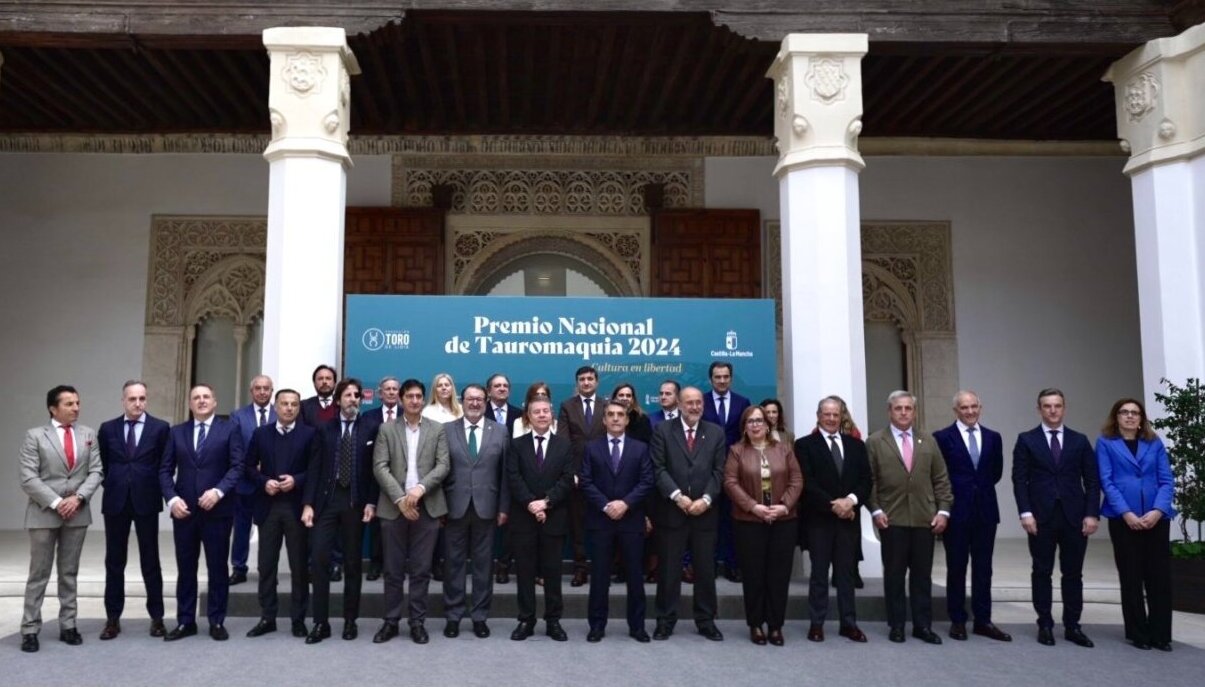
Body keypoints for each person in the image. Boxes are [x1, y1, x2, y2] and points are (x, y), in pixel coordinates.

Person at [18, 385, 104, 653]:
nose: (76, 408)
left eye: (77, 403)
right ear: (53, 408)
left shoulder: (89, 434)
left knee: (69, 573)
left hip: (77, 513)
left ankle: (68, 624)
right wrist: (57, 502)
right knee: (39, 574)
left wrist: (77, 498)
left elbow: (96, 471)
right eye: (69, 404)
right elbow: (29, 478)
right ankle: (30, 628)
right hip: (44, 513)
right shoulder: (35, 436)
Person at [1012, 387, 1100, 648]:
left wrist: (1092, 513)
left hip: (1075, 516)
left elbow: (1092, 481)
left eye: (1057, 405)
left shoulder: (1079, 440)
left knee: (1073, 573)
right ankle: (1045, 625)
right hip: (1040, 517)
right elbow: (1019, 479)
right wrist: (1025, 512)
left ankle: (1073, 626)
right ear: (1039, 409)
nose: (1052, 410)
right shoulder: (1026, 440)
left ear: (1064, 408)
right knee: (1041, 571)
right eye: (1047, 406)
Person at [159, 383, 245, 641]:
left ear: (215, 402)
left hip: (217, 511)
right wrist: (172, 499)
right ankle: (186, 621)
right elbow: (164, 470)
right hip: (184, 512)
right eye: (196, 397)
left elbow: (237, 467)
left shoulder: (230, 429)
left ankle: (216, 621)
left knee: (217, 567)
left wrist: (218, 492)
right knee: (186, 568)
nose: (202, 401)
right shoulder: (176, 433)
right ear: (190, 404)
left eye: (206, 396)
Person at [866, 390, 952, 645]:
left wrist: (944, 510)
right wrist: (876, 510)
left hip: (925, 520)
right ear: (889, 411)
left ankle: (922, 625)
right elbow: (869, 481)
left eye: (908, 408)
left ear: (914, 412)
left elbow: (941, 479)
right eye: (898, 408)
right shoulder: (875, 441)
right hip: (891, 519)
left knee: (922, 576)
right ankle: (897, 625)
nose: (903, 413)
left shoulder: (928, 440)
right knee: (894, 575)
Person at [301, 378, 380, 644]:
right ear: (338, 401)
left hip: (355, 504)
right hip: (327, 503)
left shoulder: (371, 428)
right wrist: (309, 504)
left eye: (357, 395)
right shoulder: (324, 430)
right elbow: (314, 468)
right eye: (347, 395)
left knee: (352, 564)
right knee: (320, 560)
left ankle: (350, 621)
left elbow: (375, 472)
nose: (353, 399)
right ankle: (321, 623)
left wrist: (371, 502)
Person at [372, 378, 450, 645]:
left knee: (421, 570)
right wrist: (401, 499)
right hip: (393, 509)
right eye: (410, 396)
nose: (415, 400)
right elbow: (380, 466)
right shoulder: (386, 429)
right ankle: (391, 621)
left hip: (427, 508)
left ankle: (417, 622)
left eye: (418, 396)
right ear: (401, 400)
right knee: (393, 570)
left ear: (423, 398)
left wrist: (419, 490)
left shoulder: (437, 429)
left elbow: (443, 466)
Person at [1096, 397, 1174, 651]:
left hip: (1156, 519)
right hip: (1124, 520)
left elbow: (1166, 480)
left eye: (1135, 413)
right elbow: (1106, 482)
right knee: (1131, 577)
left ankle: (1161, 634)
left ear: (1141, 419)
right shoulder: (1106, 443)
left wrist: (1157, 510)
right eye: (1124, 412)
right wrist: (1127, 513)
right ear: (1116, 417)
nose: (1130, 416)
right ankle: (1138, 633)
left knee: (1159, 578)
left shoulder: (1154, 443)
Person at [650, 386, 727, 642]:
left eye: (698, 403)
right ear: (679, 405)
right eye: (689, 403)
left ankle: (706, 620)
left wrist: (705, 499)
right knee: (669, 569)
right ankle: (665, 619)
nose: (694, 407)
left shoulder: (715, 433)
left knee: (705, 570)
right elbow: (658, 469)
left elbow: (719, 471)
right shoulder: (662, 431)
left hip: (705, 513)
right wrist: (678, 497)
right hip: (673, 511)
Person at [933, 390, 1011, 642]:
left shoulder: (993, 437)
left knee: (983, 568)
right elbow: (939, 476)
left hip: (986, 512)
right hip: (956, 512)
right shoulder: (942, 438)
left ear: (980, 407)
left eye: (973, 406)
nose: (970, 411)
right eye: (964, 408)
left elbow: (995, 472)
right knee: (956, 567)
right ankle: (957, 620)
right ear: (956, 410)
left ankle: (983, 620)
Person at [794, 396, 872, 643]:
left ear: (841, 417)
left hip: (849, 520)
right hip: (819, 521)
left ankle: (848, 624)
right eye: (826, 414)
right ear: (818, 416)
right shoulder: (804, 445)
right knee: (819, 574)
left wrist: (850, 501)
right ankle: (817, 624)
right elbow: (807, 483)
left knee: (846, 575)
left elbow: (865, 481)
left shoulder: (856, 446)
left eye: (835, 414)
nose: (830, 418)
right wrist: (835, 506)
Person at [723, 405, 802, 646]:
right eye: (750, 421)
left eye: (759, 420)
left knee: (778, 576)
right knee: (753, 575)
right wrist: (752, 507)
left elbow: (796, 480)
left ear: (768, 425)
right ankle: (756, 624)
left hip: (783, 522)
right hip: (749, 522)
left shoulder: (784, 449)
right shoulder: (736, 451)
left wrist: (784, 506)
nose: (756, 425)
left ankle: (776, 625)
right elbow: (730, 482)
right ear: (744, 427)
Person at [97, 380, 170, 641]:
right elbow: (103, 464)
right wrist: (118, 483)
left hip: (146, 500)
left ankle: (157, 618)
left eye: (142, 398)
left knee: (150, 560)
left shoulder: (160, 428)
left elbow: (165, 465)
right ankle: (112, 619)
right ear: (123, 401)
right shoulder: (108, 429)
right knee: (114, 562)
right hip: (116, 501)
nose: (138, 403)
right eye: (132, 399)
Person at [580, 400, 655, 643]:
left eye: (619, 415)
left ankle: (637, 626)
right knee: (600, 576)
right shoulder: (591, 448)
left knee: (635, 576)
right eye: (610, 415)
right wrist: (606, 505)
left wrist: (625, 504)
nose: (615, 418)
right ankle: (597, 626)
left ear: (627, 419)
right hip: (600, 520)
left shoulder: (640, 448)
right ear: (603, 420)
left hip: (631, 520)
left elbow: (646, 481)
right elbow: (586, 481)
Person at [244, 388, 315, 639]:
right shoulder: (261, 434)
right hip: (269, 507)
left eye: (294, 404)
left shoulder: (309, 434)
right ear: (275, 407)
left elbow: (315, 470)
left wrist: (296, 480)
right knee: (266, 566)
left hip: (296, 508)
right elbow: (248, 467)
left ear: (298, 408)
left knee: (298, 567)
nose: (289, 408)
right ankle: (268, 617)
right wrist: (264, 481)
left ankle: (298, 619)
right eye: (284, 404)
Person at [442, 383, 510, 640]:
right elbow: (440, 470)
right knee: (453, 564)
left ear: (486, 401)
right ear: (462, 400)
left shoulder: (500, 431)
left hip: (487, 508)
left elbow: (505, 474)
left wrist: (504, 507)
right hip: (454, 508)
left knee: (483, 567)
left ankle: (480, 617)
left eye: (479, 399)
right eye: (470, 399)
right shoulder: (447, 430)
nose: (474, 403)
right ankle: (453, 616)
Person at [507, 397, 575, 641]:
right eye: (537, 412)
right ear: (528, 416)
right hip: (524, 518)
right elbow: (513, 478)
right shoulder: (516, 445)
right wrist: (531, 504)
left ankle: (553, 621)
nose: (542, 415)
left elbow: (567, 480)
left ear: (552, 414)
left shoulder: (564, 445)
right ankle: (526, 620)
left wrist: (545, 503)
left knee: (553, 572)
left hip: (553, 517)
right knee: (524, 572)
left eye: (546, 411)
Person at [702, 361, 750, 583]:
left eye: (725, 377)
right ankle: (707, 564)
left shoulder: (743, 403)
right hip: (706, 470)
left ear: (731, 378)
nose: (722, 381)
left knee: (733, 519)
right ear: (710, 379)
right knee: (708, 520)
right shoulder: (699, 402)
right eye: (717, 377)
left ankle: (733, 564)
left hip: (735, 471)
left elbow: (746, 436)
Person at [558, 365, 605, 588]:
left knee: (601, 526)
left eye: (589, 379)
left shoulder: (608, 406)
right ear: (577, 383)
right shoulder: (567, 406)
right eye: (582, 379)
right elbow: (563, 442)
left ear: (597, 381)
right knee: (577, 526)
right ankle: (580, 569)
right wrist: (571, 473)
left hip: (603, 476)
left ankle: (601, 568)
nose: (586, 383)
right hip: (576, 476)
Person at [229, 374, 276, 586]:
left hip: (271, 484)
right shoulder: (238, 416)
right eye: (258, 388)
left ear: (272, 390)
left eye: (266, 388)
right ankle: (239, 568)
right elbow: (235, 448)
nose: (262, 392)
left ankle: (268, 571)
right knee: (241, 528)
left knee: (270, 531)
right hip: (245, 483)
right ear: (252, 391)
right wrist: (250, 468)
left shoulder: (281, 413)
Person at [360, 376, 401, 582]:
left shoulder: (409, 415)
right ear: (379, 393)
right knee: (377, 523)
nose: (392, 392)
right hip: (376, 477)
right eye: (388, 389)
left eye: (395, 389)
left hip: (403, 479)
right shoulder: (368, 417)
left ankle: (397, 566)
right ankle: (376, 563)